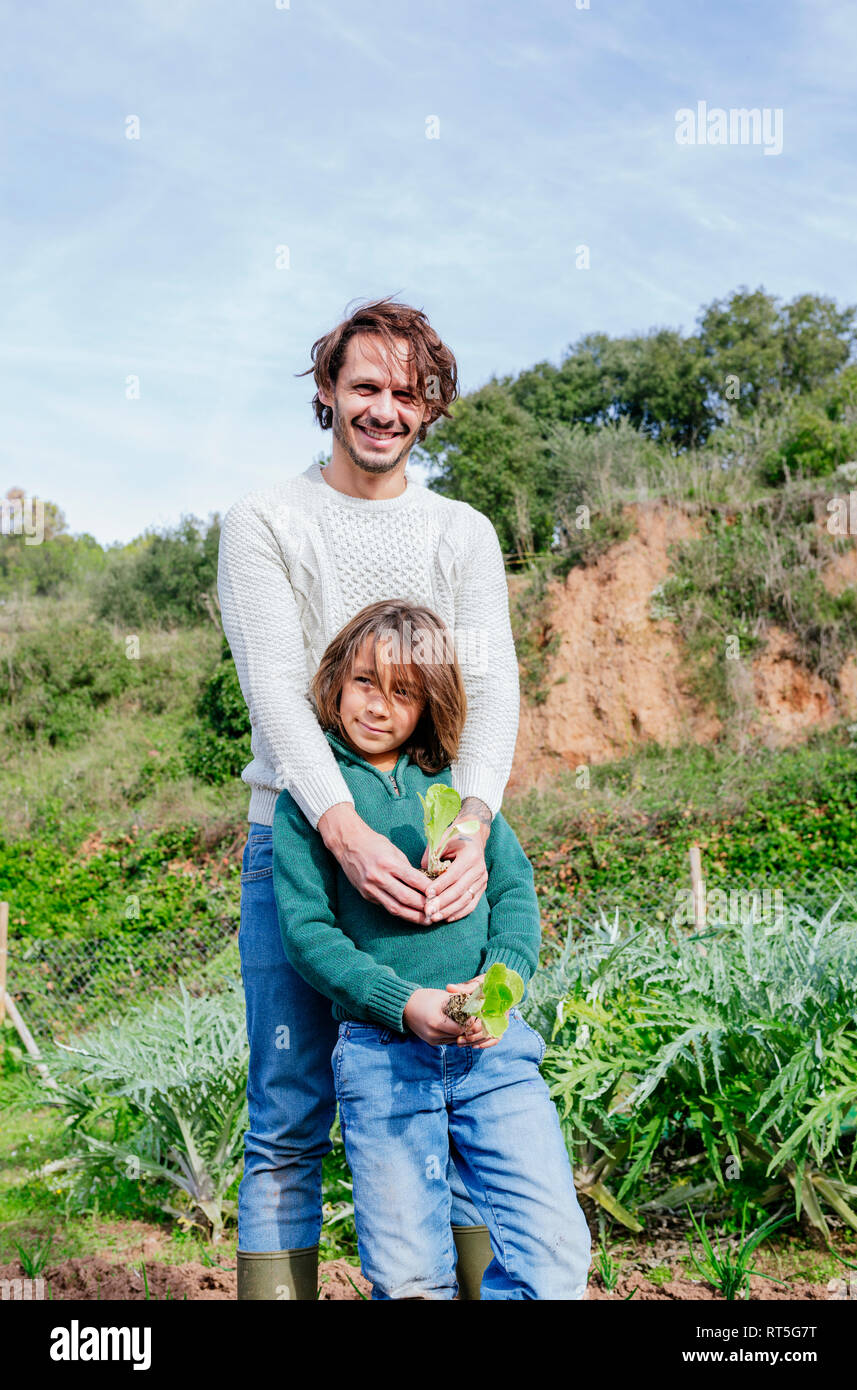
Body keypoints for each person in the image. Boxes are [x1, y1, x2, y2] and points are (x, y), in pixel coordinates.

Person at [217, 295, 522, 1298]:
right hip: (296, 845)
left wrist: (473, 823)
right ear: (326, 394)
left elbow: (491, 689)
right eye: (365, 387)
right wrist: (341, 830)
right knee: (288, 1114)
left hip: (436, 855)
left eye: (407, 391)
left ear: (430, 407)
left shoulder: (462, 533)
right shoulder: (265, 521)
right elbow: (274, 690)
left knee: (468, 1091)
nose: (384, 408)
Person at [271, 599, 592, 1300]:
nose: (379, 707)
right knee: (409, 1278)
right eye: (363, 682)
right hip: (381, 1061)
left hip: (495, 1056)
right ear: (334, 680)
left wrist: (497, 990)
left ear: (430, 703)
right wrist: (403, 1003)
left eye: (403, 691)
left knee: (553, 1255)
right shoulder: (309, 801)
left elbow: (514, 899)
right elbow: (307, 935)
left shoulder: (459, 786)